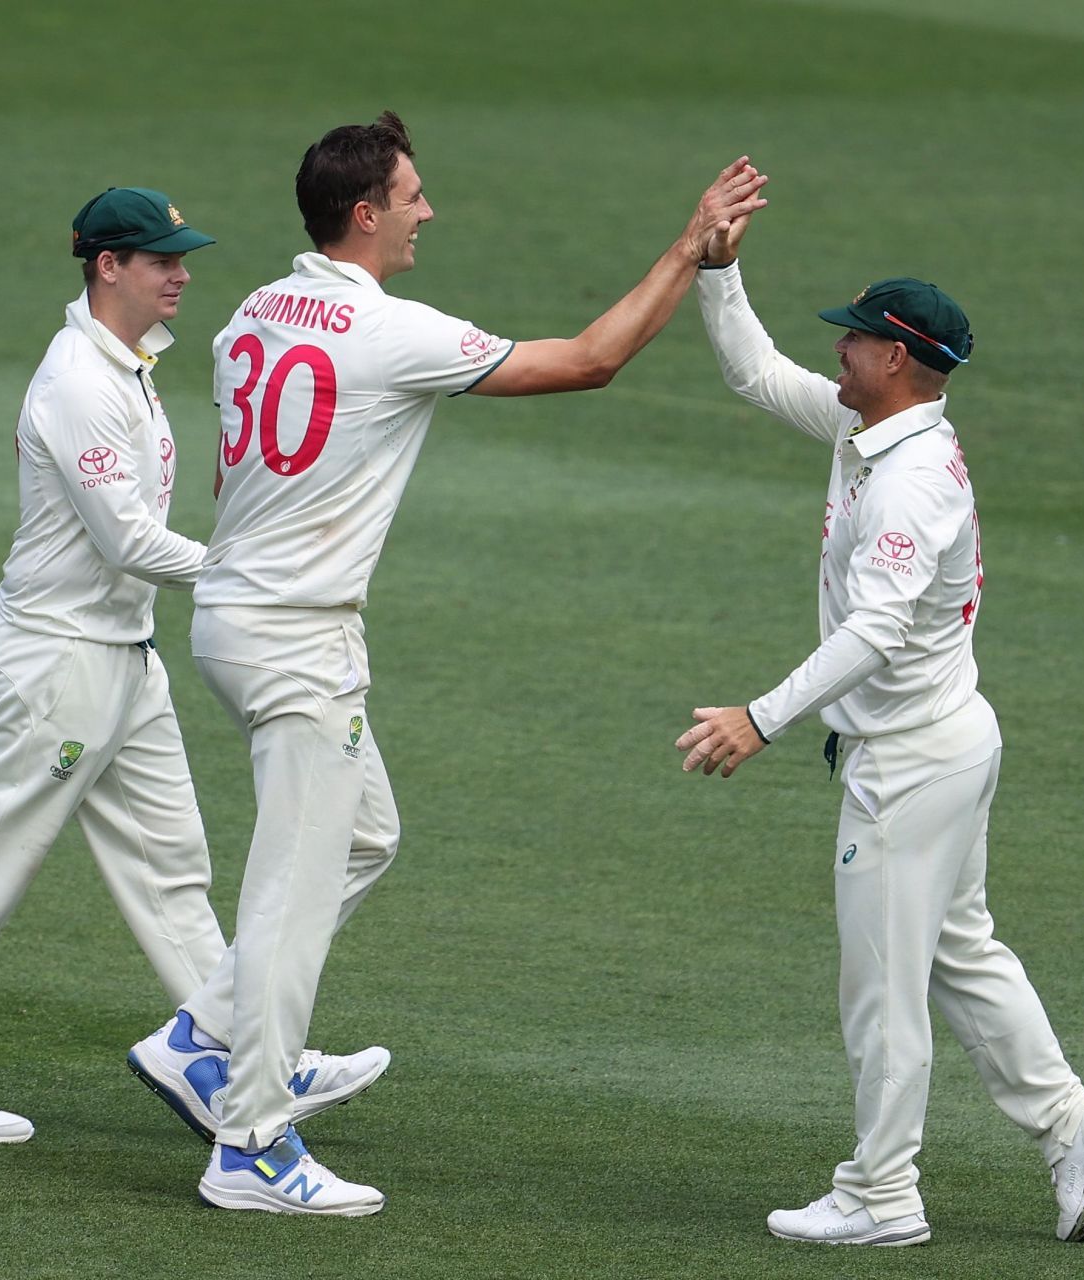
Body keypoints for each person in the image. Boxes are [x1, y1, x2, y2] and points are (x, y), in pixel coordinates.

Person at [123, 111, 767, 1215]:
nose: (430, 211)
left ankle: (203, 1041)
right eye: (414, 195)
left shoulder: (245, 318)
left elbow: (238, 486)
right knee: (289, 887)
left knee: (365, 832)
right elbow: (592, 359)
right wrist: (686, 247)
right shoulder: (390, 331)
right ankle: (251, 1141)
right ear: (365, 213)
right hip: (297, 640)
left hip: (234, 616)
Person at [0, 188, 380, 1143]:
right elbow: (130, 539)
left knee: (174, 869)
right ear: (108, 266)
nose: (181, 273)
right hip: (61, 661)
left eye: (181, 257)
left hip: (123, 657)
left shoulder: (127, 365)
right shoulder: (80, 381)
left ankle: (228, 1053)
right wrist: (249, 576)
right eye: (160, 260)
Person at [673, 195, 1084, 1244]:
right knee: (958, 952)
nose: (837, 347)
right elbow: (754, 371)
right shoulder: (868, 425)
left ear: (896, 357)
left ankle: (882, 1193)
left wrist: (762, 714)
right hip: (946, 737)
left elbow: (874, 633)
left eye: (854, 336)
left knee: (882, 987)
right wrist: (716, 270)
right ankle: (1073, 1121)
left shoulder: (910, 481)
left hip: (909, 759)